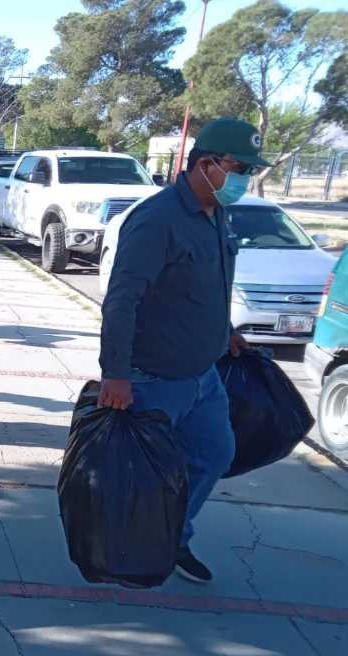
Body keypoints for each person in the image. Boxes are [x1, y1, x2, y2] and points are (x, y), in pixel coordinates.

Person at [98, 117, 270, 584]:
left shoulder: (218, 213)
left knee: (214, 454)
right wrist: (115, 374)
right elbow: (121, 301)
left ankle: (172, 539)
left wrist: (226, 330)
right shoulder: (157, 221)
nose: (244, 180)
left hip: (204, 374)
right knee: (143, 476)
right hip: (152, 376)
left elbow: (209, 284)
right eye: (240, 168)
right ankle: (130, 549)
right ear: (206, 164)